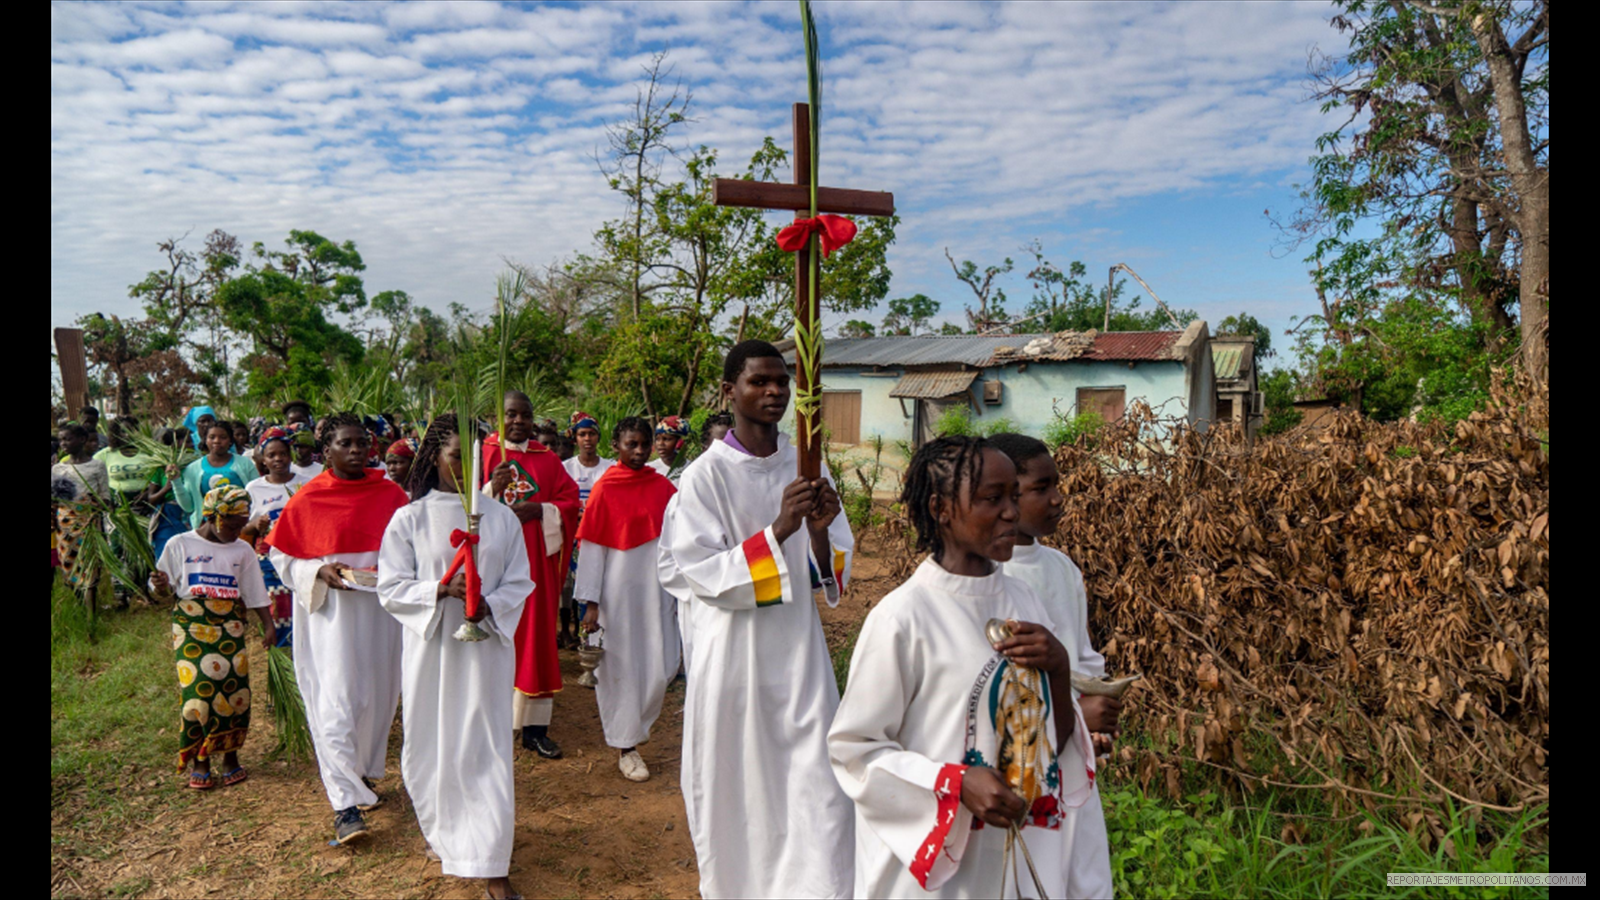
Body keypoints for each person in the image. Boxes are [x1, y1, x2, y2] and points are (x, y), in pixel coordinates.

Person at [828, 435, 1096, 897]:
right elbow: (856, 751)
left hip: (1016, 853)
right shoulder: (903, 618)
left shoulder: (1024, 599)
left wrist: (1058, 668)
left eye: (1014, 496)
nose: (1011, 512)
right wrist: (955, 782)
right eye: (993, 499)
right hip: (942, 868)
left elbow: (1054, 740)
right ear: (940, 509)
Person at [655, 340, 856, 899]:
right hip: (733, 654)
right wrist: (780, 529)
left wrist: (819, 528)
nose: (773, 392)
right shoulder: (704, 477)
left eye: (781, 382)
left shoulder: (808, 462)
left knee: (818, 781)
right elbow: (701, 573)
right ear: (729, 390)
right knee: (739, 782)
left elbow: (832, 572)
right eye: (758, 382)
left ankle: (819, 886)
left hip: (797, 650)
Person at [378, 416, 531, 900]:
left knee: (484, 745)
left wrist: (492, 604)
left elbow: (519, 581)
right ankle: (446, 834)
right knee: (432, 743)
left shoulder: (502, 517)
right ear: (433, 459)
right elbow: (390, 585)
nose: (464, 467)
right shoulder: (410, 518)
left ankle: (491, 862)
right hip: (431, 653)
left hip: (485, 651)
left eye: (474, 457)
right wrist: (440, 590)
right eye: (454, 456)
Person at [266, 413, 409, 844]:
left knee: (378, 697)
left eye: (362, 443)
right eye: (345, 444)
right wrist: (318, 568)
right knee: (335, 700)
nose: (356, 450)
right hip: (332, 617)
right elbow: (282, 559)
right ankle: (344, 805)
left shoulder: (392, 494)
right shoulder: (308, 499)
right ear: (325, 452)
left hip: (381, 613)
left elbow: (410, 548)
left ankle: (361, 775)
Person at [988, 433, 1116, 898]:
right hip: (1020, 763)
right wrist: (1080, 714)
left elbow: (1083, 660)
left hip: (1073, 755)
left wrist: (1097, 708)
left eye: (1057, 484)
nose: (1058, 498)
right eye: (1042, 488)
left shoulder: (1062, 568)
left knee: (1082, 873)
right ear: (1005, 494)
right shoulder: (993, 577)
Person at [151, 485, 276, 789]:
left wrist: (268, 625)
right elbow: (161, 589)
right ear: (211, 517)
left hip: (230, 625)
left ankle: (230, 755)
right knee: (198, 691)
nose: (238, 530)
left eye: (241, 524)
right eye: (231, 525)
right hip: (191, 624)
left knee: (235, 692)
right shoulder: (179, 544)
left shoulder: (241, 549)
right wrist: (161, 585)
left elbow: (254, 591)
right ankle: (200, 759)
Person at [574, 417, 678, 782]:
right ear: (616, 446)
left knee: (663, 663)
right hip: (615, 594)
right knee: (620, 666)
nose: (638, 451)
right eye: (630, 444)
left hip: (657, 589)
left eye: (644, 444)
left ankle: (637, 728)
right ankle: (625, 745)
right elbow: (592, 549)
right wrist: (590, 602)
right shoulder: (605, 488)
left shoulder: (663, 487)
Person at [483, 392, 580, 761]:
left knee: (536, 637)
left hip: (535, 560)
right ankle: (494, 722)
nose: (519, 421)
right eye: (511, 414)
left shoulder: (549, 459)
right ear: (499, 417)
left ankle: (535, 730)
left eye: (525, 415)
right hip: (495, 564)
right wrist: (491, 486)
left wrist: (540, 509)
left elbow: (570, 503)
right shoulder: (484, 454)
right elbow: (459, 501)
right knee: (496, 635)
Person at [242, 428, 309, 648]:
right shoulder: (254, 488)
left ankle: (305, 649)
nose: (278, 459)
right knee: (278, 607)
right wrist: (255, 525)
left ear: (291, 456)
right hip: (268, 557)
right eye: (271, 455)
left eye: (283, 453)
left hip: (302, 553)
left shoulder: (307, 484)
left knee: (303, 601)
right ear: (263, 459)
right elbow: (243, 527)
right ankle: (283, 655)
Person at [52, 423, 111, 595]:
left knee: (91, 562)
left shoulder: (96, 466)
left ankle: (91, 610)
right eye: (61, 440)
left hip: (89, 522)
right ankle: (78, 603)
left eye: (68, 439)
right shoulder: (58, 469)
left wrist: (96, 508)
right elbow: (55, 499)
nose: (63, 444)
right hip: (65, 524)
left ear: (82, 439)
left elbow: (105, 496)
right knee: (69, 563)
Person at [176, 422, 259, 528]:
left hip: (242, 527)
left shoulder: (244, 464)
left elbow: (257, 495)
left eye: (223, 437)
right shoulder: (192, 469)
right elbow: (188, 507)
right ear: (206, 440)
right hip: (208, 528)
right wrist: (176, 481)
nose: (217, 441)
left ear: (230, 441)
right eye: (212, 437)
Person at [147, 428, 191, 562]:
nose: (191, 445)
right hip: (167, 516)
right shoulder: (160, 468)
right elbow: (151, 499)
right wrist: (167, 488)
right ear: (175, 444)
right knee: (166, 556)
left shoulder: (194, 465)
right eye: (187, 442)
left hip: (189, 515)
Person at [93, 417, 154, 505]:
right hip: (116, 504)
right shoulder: (105, 454)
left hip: (146, 503)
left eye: (131, 431)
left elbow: (161, 478)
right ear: (115, 433)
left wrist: (149, 493)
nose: (127, 435)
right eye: (123, 431)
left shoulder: (149, 452)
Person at [647, 416, 690, 481]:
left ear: (680, 441)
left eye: (667, 439)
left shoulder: (691, 468)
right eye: (657, 439)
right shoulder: (649, 470)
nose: (660, 443)